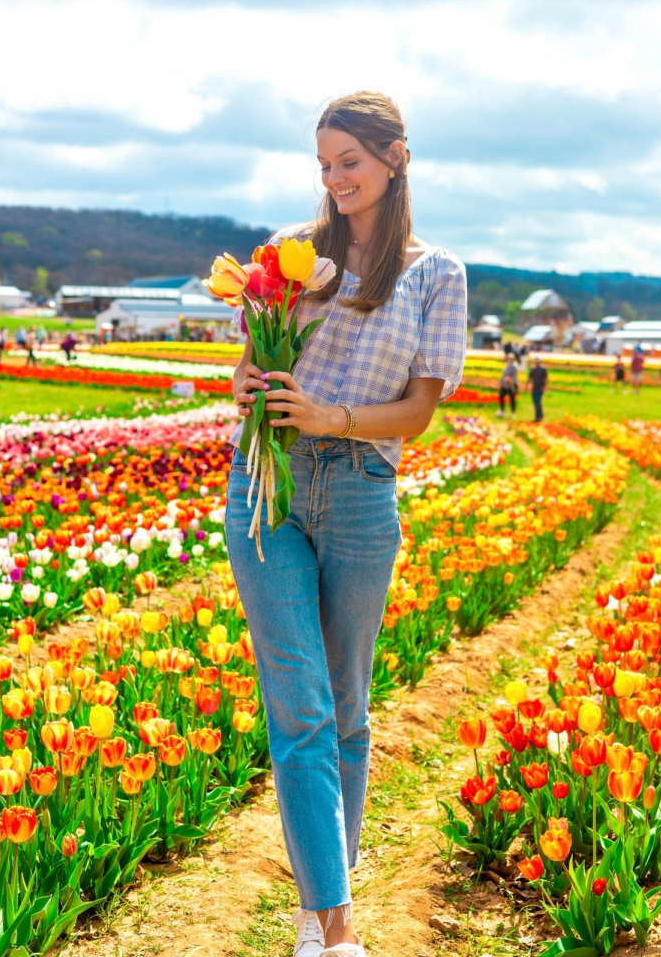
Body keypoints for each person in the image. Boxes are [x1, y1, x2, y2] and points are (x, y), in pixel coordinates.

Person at [227, 91, 466, 957]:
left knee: (347, 708)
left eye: (350, 162)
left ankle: (321, 892)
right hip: (268, 484)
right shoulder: (292, 257)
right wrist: (249, 385)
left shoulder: (436, 274)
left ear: (394, 158)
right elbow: (245, 368)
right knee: (300, 709)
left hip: (363, 488)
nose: (334, 179)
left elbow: (418, 413)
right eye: (324, 164)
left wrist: (334, 419)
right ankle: (335, 926)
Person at [526, 356, 548, 421]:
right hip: (534, 388)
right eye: (535, 362)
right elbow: (530, 378)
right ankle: (538, 416)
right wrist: (526, 386)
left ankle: (539, 416)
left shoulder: (543, 369)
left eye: (537, 362)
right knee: (535, 402)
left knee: (537, 401)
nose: (536, 363)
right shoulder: (533, 369)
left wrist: (544, 386)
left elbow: (545, 379)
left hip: (540, 388)